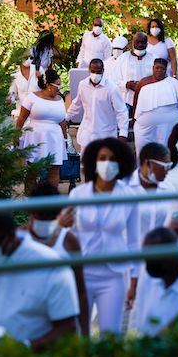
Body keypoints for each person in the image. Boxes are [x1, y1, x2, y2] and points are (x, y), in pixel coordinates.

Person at [0, 214, 79, 348]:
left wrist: (26, 348)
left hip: (34, 354)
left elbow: (67, 326)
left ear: (12, 235)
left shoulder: (49, 265)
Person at [69, 138, 141, 333]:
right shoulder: (78, 195)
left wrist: (134, 283)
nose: (107, 163)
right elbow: (69, 236)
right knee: (79, 333)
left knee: (112, 334)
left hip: (114, 275)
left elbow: (135, 242)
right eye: (102, 158)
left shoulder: (129, 196)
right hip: (82, 273)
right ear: (94, 161)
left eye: (112, 159)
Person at [26, 181, 89, 335]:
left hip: (61, 316)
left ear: (57, 215)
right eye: (41, 216)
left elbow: (81, 290)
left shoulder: (69, 241)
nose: (45, 222)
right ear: (32, 214)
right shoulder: (19, 238)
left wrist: (85, 332)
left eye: (50, 217)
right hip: (29, 316)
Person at [132, 58, 178, 160]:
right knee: (143, 148)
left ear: (166, 70)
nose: (159, 70)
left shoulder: (173, 83)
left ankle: (167, 168)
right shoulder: (143, 82)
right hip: (145, 124)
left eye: (162, 69)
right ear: (153, 68)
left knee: (167, 146)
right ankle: (143, 169)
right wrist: (133, 118)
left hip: (169, 123)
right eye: (157, 68)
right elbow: (136, 100)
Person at [65, 58, 129, 157]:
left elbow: (121, 112)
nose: (95, 74)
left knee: (103, 168)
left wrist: (123, 133)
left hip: (105, 135)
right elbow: (76, 104)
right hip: (87, 135)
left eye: (98, 72)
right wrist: (66, 118)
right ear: (89, 70)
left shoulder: (112, 88)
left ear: (103, 71)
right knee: (85, 168)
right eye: (93, 71)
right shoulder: (83, 85)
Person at [15, 69, 67, 189]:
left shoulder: (60, 100)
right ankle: (31, 200)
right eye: (57, 85)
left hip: (55, 139)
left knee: (54, 170)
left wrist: (65, 138)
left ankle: (51, 200)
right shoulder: (32, 97)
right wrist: (16, 134)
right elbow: (22, 117)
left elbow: (62, 121)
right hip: (36, 137)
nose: (59, 88)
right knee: (33, 170)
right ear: (48, 85)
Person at [127, 142, 175, 238]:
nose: (167, 171)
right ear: (148, 163)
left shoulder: (169, 189)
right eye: (164, 166)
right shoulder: (126, 189)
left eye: (169, 166)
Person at [114, 32, 154, 113]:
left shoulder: (153, 59)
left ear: (147, 44)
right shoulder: (122, 59)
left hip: (148, 102)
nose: (140, 45)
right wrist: (127, 84)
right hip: (126, 102)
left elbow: (158, 80)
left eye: (143, 42)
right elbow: (114, 81)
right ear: (132, 43)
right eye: (137, 42)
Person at [5, 52, 45, 121]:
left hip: (38, 111)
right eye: (26, 57)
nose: (29, 59)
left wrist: (40, 78)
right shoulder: (15, 74)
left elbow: (45, 87)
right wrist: (10, 99)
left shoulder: (38, 69)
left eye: (31, 57)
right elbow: (13, 92)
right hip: (22, 112)